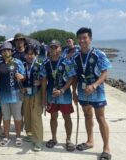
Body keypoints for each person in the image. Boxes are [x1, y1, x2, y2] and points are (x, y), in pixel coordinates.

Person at [73, 27, 112, 160]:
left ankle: (106, 148)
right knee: (87, 115)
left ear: (90, 39)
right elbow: (74, 76)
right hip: (82, 91)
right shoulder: (75, 56)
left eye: (85, 38)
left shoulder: (99, 54)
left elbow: (105, 73)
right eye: (80, 38)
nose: (82, 41)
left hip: (97, 91)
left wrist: (95, 85)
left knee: (100, 118)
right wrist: (74, 92)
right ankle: (90, 141)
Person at [41, 40, 76, 152]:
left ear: (60, 49)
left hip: (64, 95)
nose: (53, 50)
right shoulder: (45, 62)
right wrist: (43, 97)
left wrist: (62, 90)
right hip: (51, 96)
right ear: (48, 49)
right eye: (51, 47)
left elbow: (72, 78)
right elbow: (43, 80)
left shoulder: (66, 61)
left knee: (67, 117)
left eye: (55, 47)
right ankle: (54, 138)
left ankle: (68, 140)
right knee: (53, 117)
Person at [0, 42, 25, 147]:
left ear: (11, 51)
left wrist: (21, 77)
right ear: (1, 52)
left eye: (8, 50)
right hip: (3, 95)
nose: (5, 52)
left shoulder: (18, 62)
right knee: (6, 117)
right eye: (3, 50)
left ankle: (18, 136)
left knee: (17, 116)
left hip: (17, 94)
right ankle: (6, 137)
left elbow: (24, 77)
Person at [22, 45, 44, 151]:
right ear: (25, 55)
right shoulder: (23, 65)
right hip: (26, 93)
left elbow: (46, 79)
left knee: (36, 116)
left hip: (37, 93)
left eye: (32, 54)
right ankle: (30, 135)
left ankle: (38, 140)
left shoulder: (40, 64)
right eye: (28, 54)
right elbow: (20, 79)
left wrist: (40, 82)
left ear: (36, 55)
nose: (30, 56)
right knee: (27, 115)